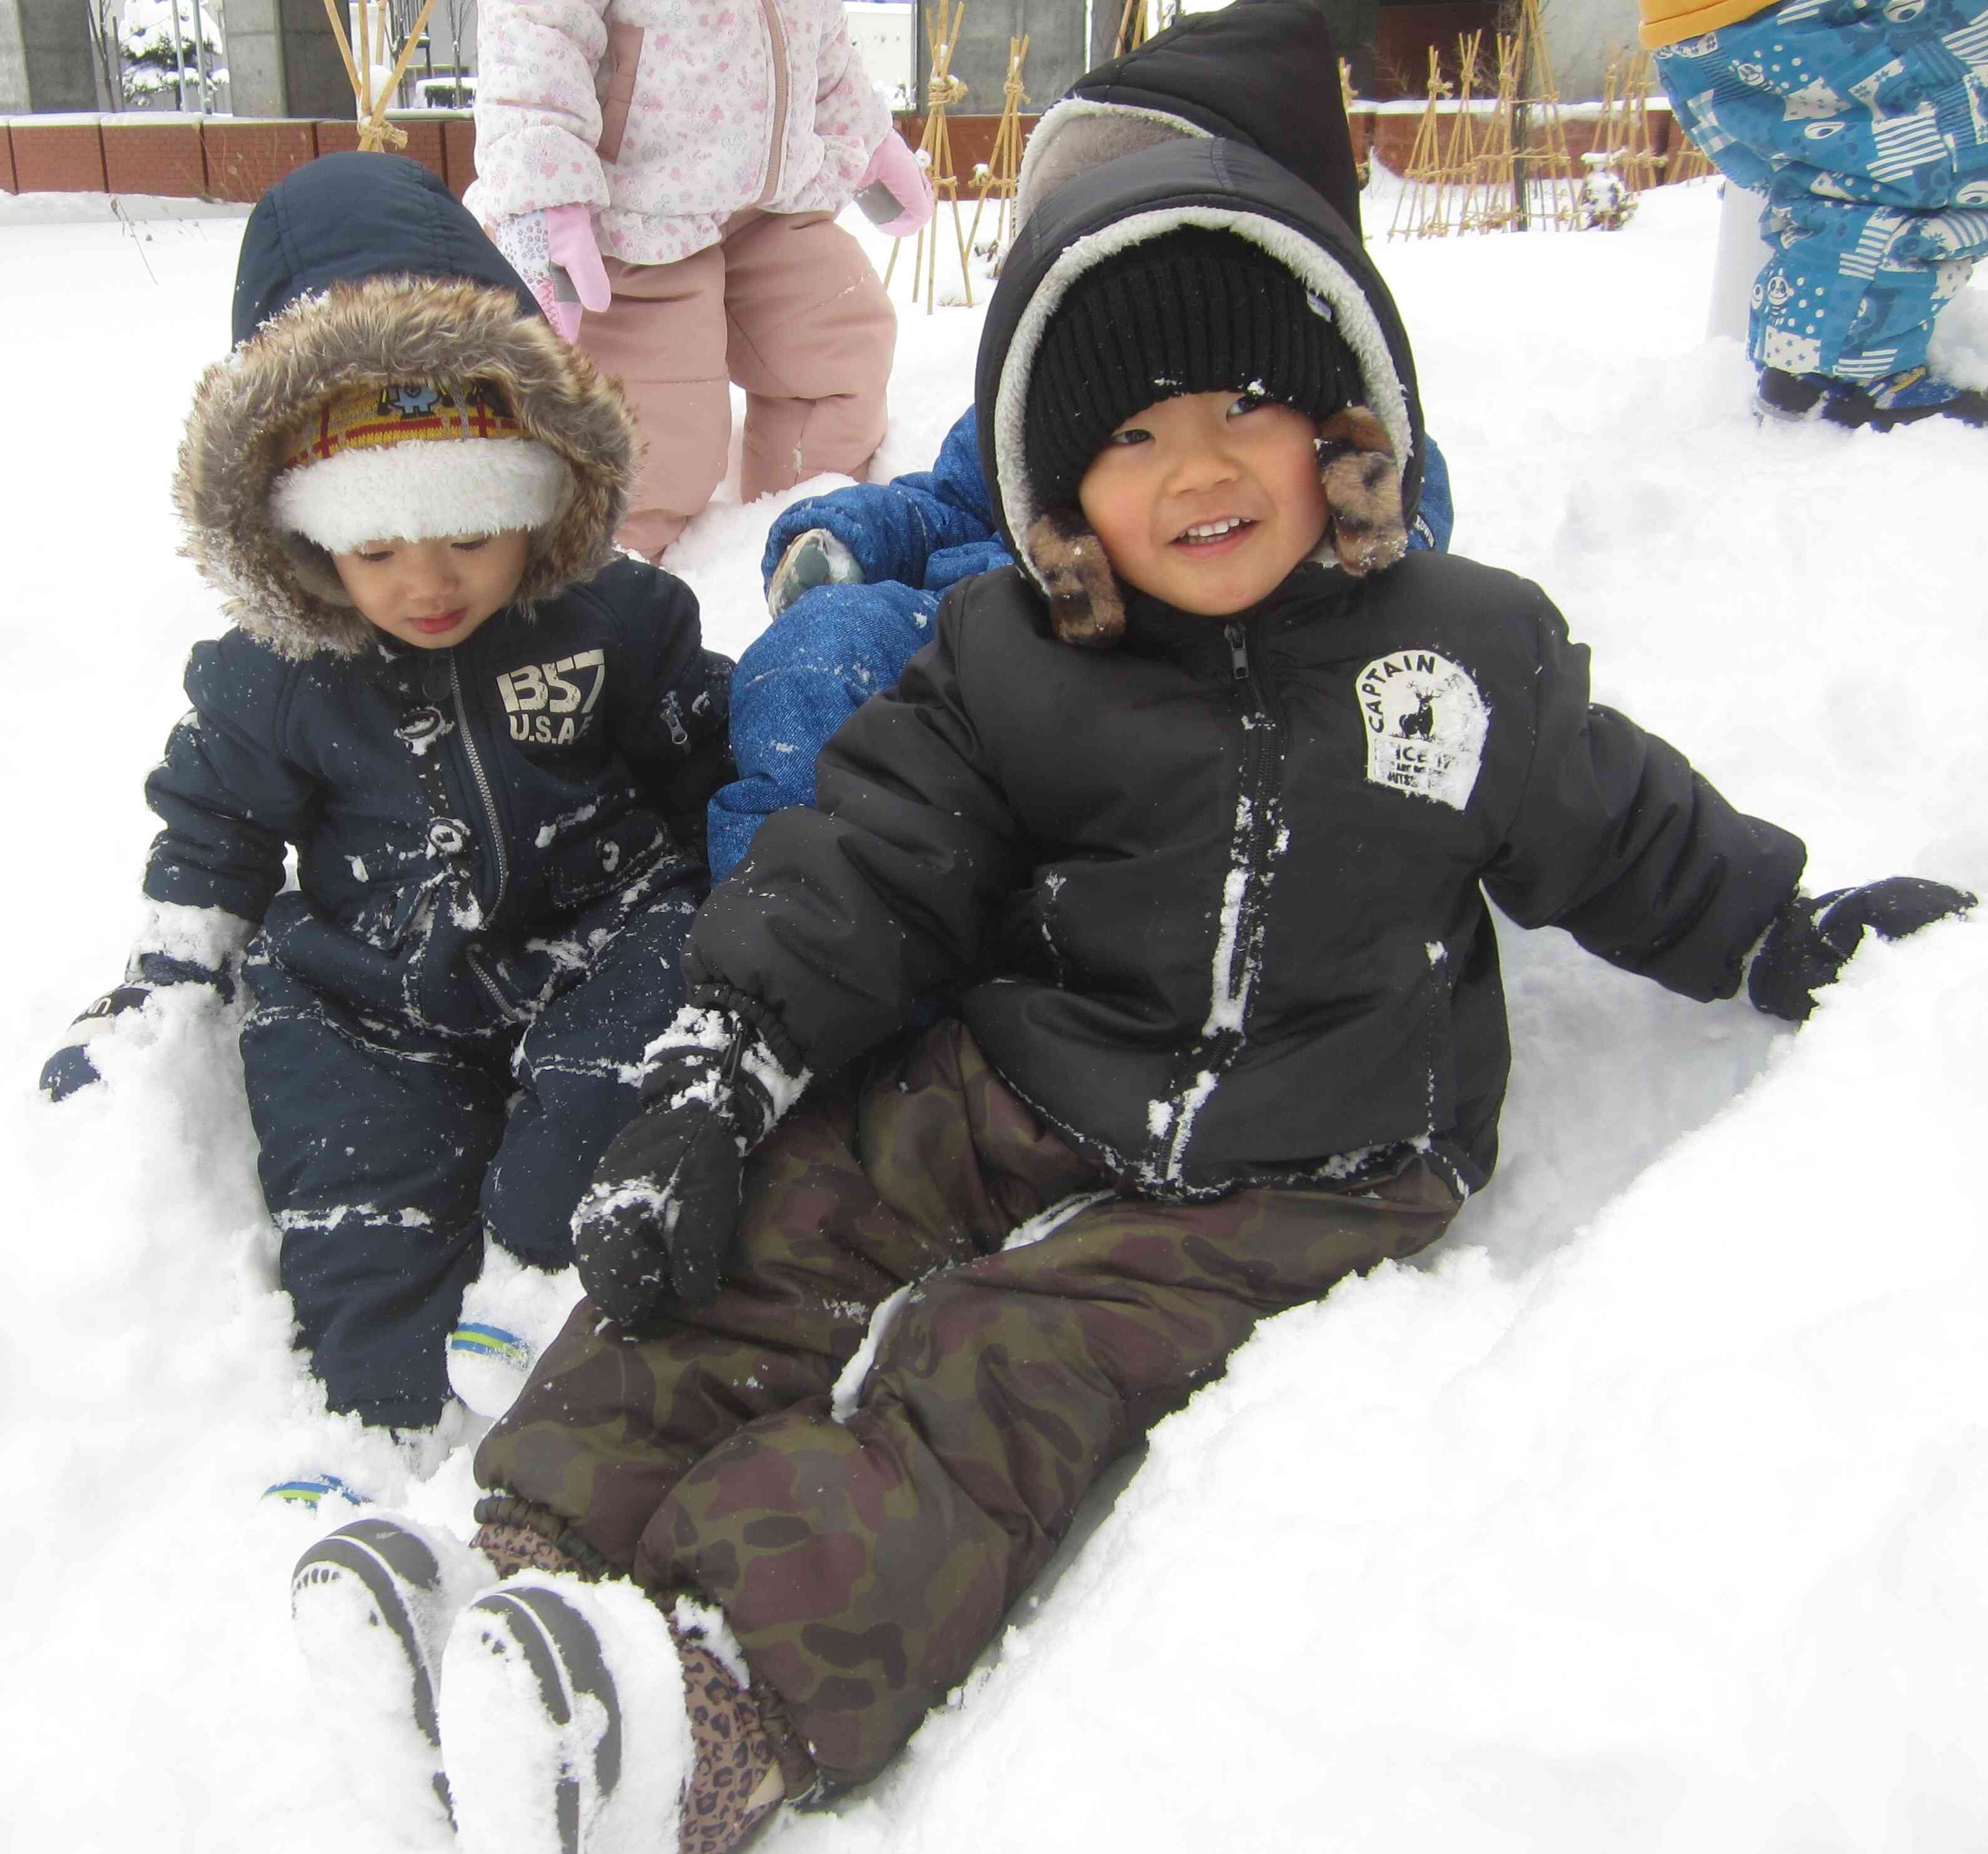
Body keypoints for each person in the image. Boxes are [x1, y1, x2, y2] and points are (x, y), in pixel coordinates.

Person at [288, 133, 1972, 1854]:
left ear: (1349, 433)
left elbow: (1621, 830)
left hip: (1305, 1164)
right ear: (1057, 494)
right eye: (1132, 434)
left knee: (995, 1369)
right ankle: (519, 1555)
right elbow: (866, 857)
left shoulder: (1463, 654)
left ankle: (711, 1700)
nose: (1198, 467)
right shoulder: (1015, 660)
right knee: (790, 1221)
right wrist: (725, 1066)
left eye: (1245, 407)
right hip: (1027, 1069)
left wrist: (1780, 930)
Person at [38, 153, 734, 1458]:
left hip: (594, 933)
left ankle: (539, 1280)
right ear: (301, 531)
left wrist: (762, 855)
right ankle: (391, 1420)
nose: (427, 580)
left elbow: (699, 744)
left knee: (630, 1046)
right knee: (349, 1168)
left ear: (539, 487)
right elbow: (216, 830)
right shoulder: (273, 673)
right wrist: (165, 980)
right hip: (380, 978)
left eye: (470, 530)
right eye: (374, 545)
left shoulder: (614, 615)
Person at [708, 0, 1455, 878]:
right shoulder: (1045, 403)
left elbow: (1405, 556)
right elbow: (954, 497)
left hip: (1162, 667)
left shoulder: (1345, 449)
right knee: (825, 651)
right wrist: (855, 537)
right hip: (979, 643)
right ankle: (782, 914)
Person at [467, 0, 935, 560]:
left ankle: (815, 545)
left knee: (839, 337)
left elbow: (820, 42)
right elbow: (535, 29)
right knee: (660, 432)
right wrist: (543, 188)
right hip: (639, 212)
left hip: (773, 201)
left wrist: (868, 140)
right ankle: (623, 583)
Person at [1645, 0, 1988, 427]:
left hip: (1719, 32)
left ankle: (1812, 356)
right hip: (1802, 18)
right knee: (1942, 158)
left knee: (1856, 172)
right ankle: (1850, 365)